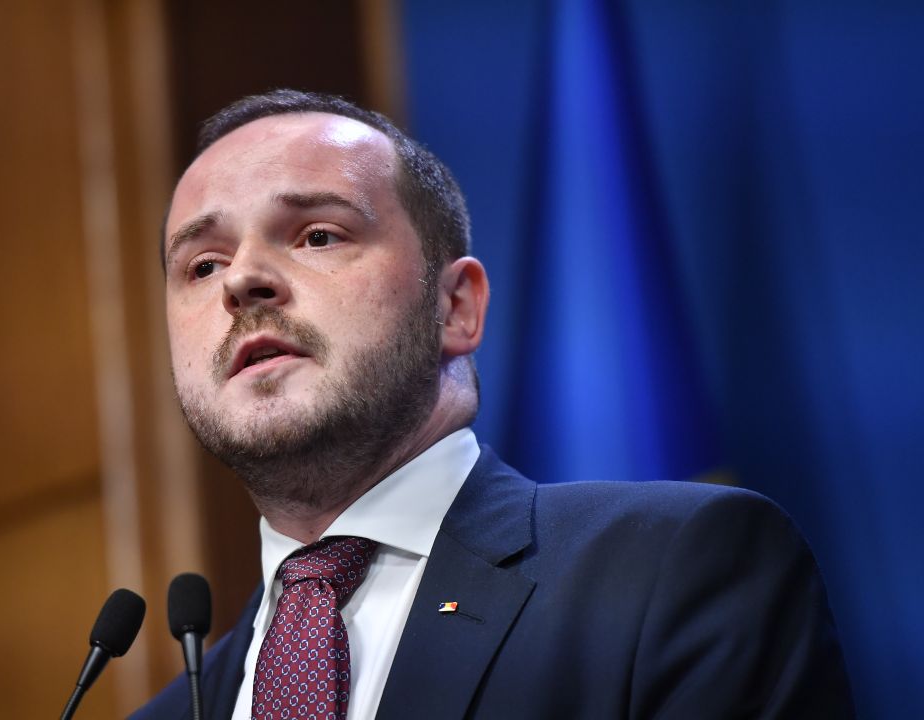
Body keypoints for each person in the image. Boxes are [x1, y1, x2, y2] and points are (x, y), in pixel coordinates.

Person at [133, 90, 853, 719]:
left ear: (456, 307)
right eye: (203, 265)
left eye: (318, 235)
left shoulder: (671, 574)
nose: (242, 280)